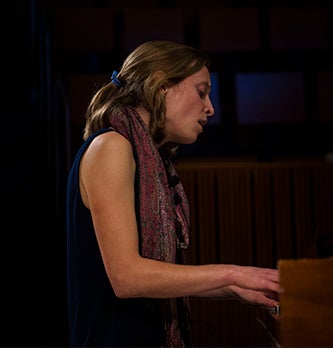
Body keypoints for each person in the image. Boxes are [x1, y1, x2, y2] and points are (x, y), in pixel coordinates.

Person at [66, 40, 280, 347]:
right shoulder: (112, 147)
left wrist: (237, 288)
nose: (210, 108)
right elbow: (128, 278)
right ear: (162, 85)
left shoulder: (151, 158)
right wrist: (233, 274)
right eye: (201, 91)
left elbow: (160, 280)